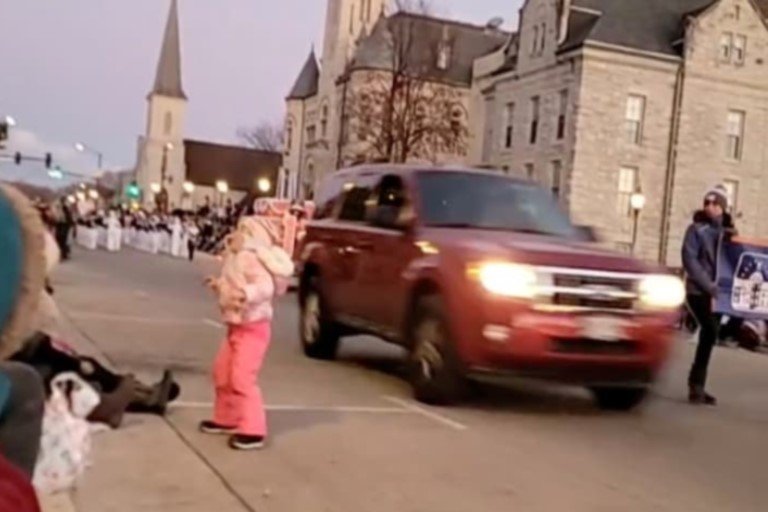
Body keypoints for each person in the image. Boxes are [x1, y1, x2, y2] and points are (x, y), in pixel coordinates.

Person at [200, 216, 293, 450]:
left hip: (254, 328)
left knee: (242, 377)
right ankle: (227, 417)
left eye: (243, 230)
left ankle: (253, 429)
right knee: (222, 373)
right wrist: (219, 285)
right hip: (236, 326)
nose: (236, 234)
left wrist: (246, 294)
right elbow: (232, 283)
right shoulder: (236, 259)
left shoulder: (250, 258)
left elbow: (265, 287)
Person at [682, 185, 732, 405]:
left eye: (715, 203)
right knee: (709, 330)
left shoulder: (729, 233)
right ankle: (696, 385)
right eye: (707, 203)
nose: (710, 207)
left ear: (722, 207)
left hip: (720, 294)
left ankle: (697, 385)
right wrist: (709, 285)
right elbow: (690, 260)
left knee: (709, 337)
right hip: (698, 290)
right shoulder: (696, 230)